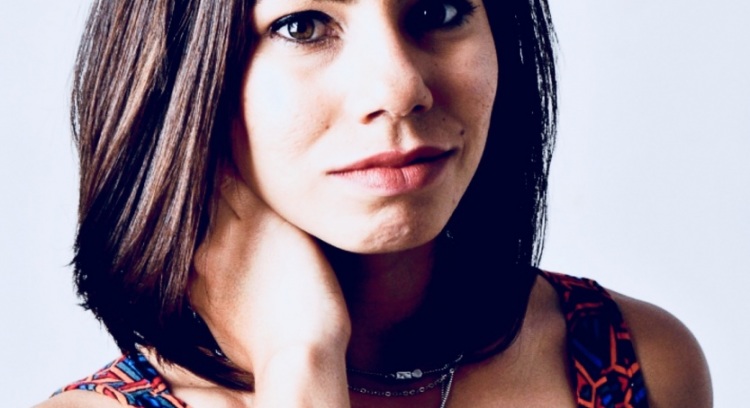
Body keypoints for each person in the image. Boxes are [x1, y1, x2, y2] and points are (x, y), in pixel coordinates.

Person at [38, 0, 712, 407]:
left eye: (438, 12)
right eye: (303, 25)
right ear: (182, 77)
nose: (400, 87)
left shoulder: (630, 363)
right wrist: (301, 362)